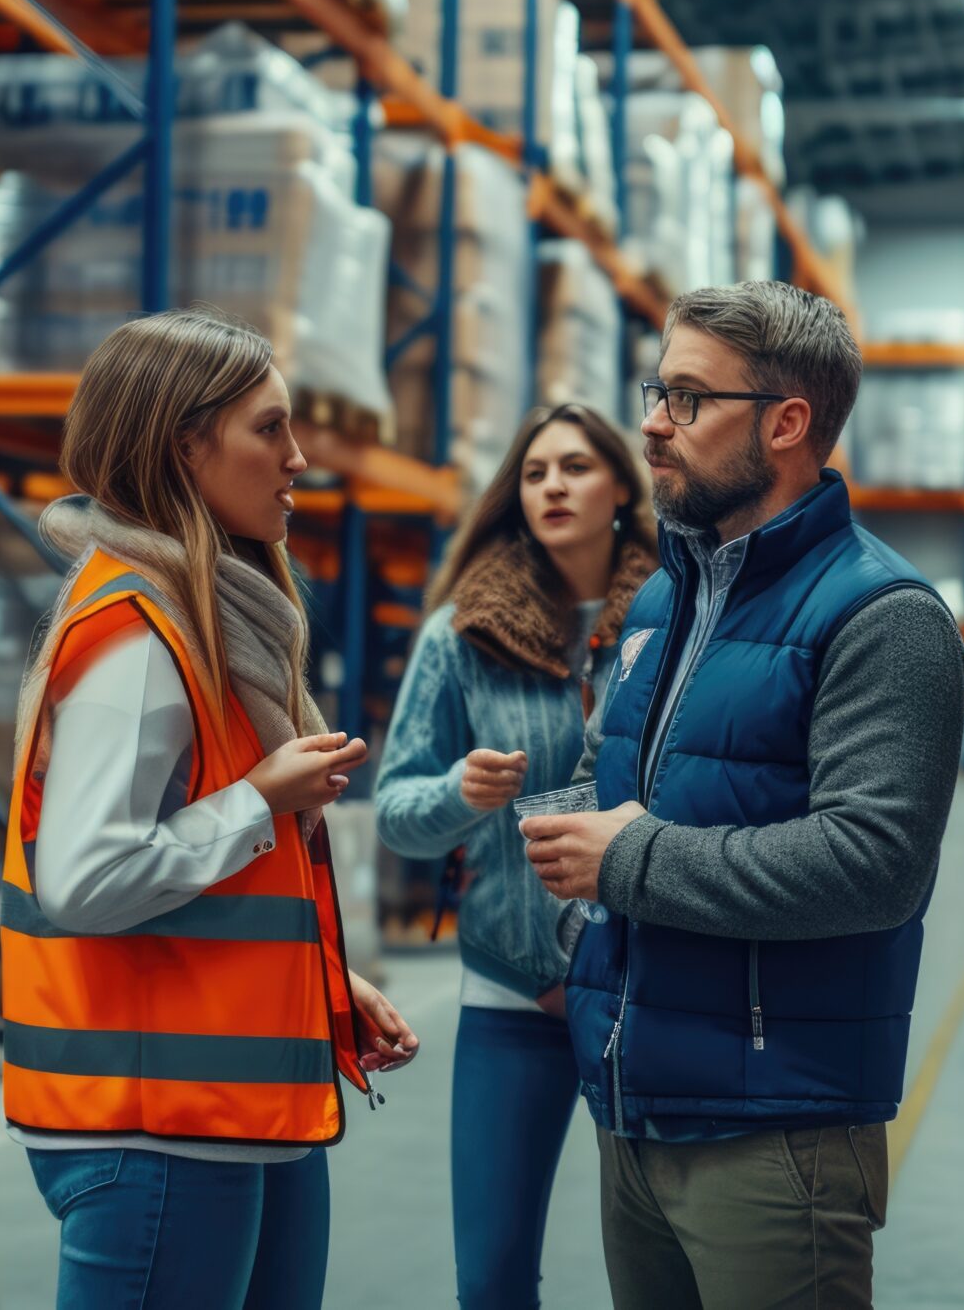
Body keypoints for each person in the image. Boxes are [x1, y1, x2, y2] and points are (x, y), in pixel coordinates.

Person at [521, 282, 964, 1310]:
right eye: (654, 390)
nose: (650, 422)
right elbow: (618, 774)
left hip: (776, 1132)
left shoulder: (883, 617)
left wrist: (625, 859)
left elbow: (874, 866)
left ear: (785, 422)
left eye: (685, 398)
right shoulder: (665, 594)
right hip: (635, 1106)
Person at [0, 308, 421, 1310]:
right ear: (185, 446)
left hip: (228, 1111)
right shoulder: (139, 640)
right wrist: (259, 798)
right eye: (268, 429)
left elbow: (216, 884)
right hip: (153, 1127)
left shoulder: (208, 625)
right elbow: (87, 879)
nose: (299, 456)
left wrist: (317, 984)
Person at [376, 405, 660, 1308]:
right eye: (535, 472)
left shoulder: (678, 618)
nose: (554, 486)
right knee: (492, 1275)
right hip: (510, 986)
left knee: (670, 1270)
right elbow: (393, 813)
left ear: (620, 485)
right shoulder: (463, 635)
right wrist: (459, 793)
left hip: (648, 986)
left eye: (576, 466)